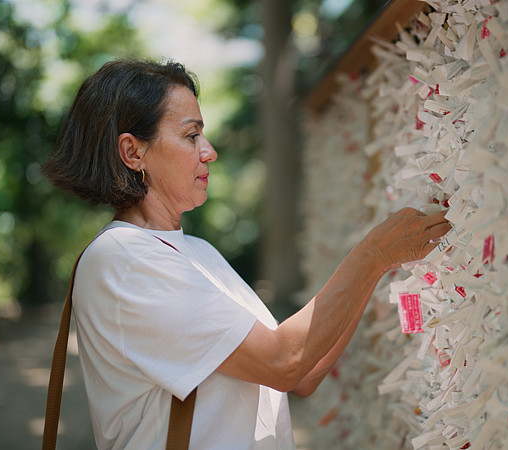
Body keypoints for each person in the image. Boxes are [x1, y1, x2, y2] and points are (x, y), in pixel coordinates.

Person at [43, 59, 450, 450]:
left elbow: (303, 371)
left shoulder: (196, 252)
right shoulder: (123, 259)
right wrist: (373, 254)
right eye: (191, 135)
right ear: (133, 153)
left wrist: (379, 263)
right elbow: (283, 362)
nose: (209, 151)